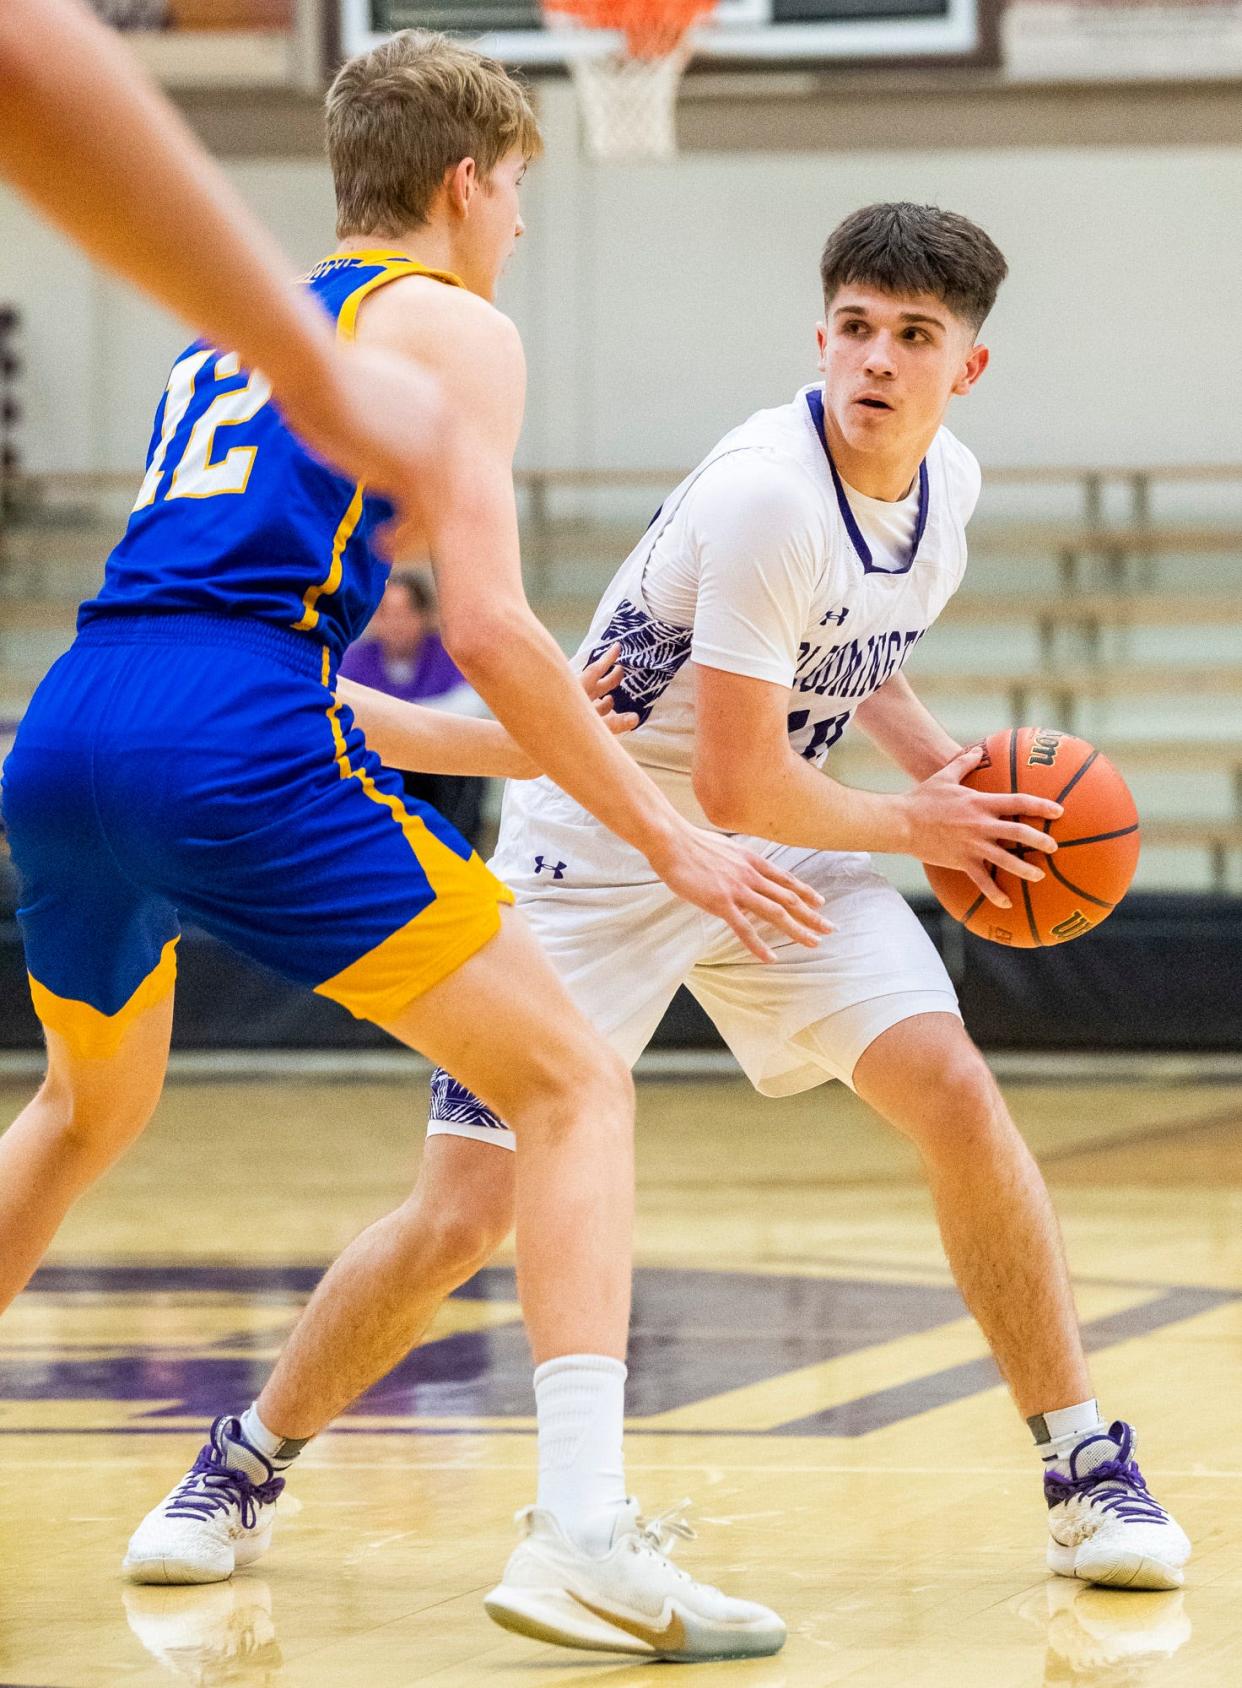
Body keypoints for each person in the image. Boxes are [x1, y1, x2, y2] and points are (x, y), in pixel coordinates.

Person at [154, 201, 1190, 1657]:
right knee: (462, 1213)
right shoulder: (769, 489)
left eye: (912, 337)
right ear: (816, 334)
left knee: (954, 1093)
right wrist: (925, 830)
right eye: (853, 327)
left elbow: (854, 655)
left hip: (776, 846)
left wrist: (936, 769)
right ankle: (239, 1469)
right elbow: (732, 773)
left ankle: (1084, 1466)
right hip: (602, 844)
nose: (875, 360)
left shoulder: (940, 485)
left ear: (967, 369)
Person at [1, 29, 838, 1663]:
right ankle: (582, 1531)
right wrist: (663, 829)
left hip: (72, 726)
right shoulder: (457, 326)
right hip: (230, 743)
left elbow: (256, 658)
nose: (519, 229)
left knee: (81, 1105)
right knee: (569, 1083)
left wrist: (511, 733)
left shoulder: (226, 337)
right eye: (519, 195)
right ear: (470, 182)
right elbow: (495, 629)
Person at [0, 0, 444, 551]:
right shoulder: (438, 312)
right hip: (258, 627)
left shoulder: (210, 341)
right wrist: (318, 373)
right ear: (465, 183)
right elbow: (19, 48)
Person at [340, 570, 488, 847]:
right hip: (383, 764)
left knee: (469, 764)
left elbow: (472, 706)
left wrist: (394, 718)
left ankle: (459, 847)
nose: (396, 624)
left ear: (423, 616)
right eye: (387, 614)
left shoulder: (448, 652)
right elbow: (341, 710)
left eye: (405, 613)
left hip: (440, 767)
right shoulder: (357, 658)